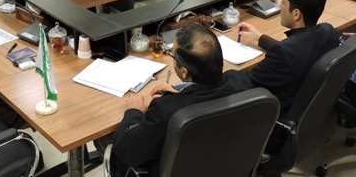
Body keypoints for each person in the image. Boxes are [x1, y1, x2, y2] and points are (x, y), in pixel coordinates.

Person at [106, 24, 251, 177]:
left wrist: (133, 112)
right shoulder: (241, 82)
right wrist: (183, 92)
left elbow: (126, 151)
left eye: (173, 56)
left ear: (184, 72)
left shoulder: (165, 110)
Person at [230, 0, 338, 151]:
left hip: (277, 129)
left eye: (284, 3)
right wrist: (260, 37)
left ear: (296, 14)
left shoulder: (284, 55)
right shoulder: (328, 31)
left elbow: (243, 83)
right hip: (313, 120)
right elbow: (297, 51)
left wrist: (211, 69)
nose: (280, 6)